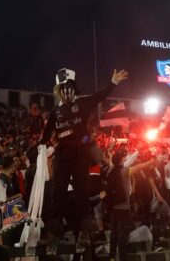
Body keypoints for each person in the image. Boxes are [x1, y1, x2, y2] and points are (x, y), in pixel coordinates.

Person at [40, 68, 128, 245]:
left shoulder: (83, 103)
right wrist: (41, 146)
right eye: (61, 87)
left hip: (80, 155)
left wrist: (113, 82)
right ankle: (55, 232)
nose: (65, 90)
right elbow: (46, 132)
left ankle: (84, 233)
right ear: (58, 90)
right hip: (62, 156)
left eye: (68, 86)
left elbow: (99, 96)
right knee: (57, 193)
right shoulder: (55, 111)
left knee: (82, 194)